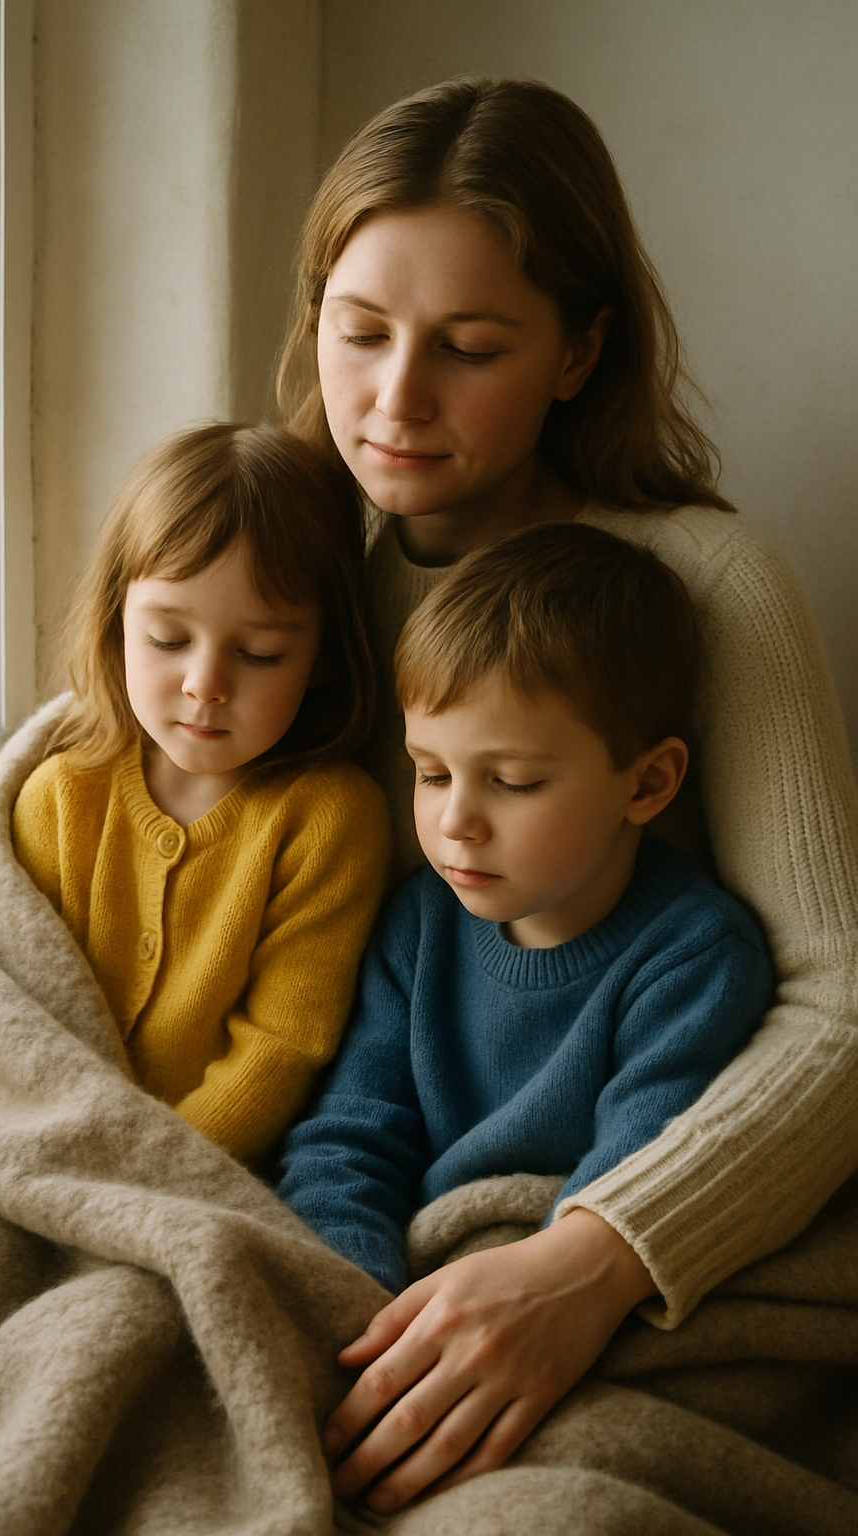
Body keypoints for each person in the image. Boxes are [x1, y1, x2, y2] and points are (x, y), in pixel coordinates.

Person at [275, 77, 858, 1512]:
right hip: (365, 1190)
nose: (394, 401)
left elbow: (840, 999)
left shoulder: (710, 590)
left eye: (469, 348)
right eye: (357, 333)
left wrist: (595, 1259)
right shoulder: (287, 586)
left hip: (648, 1209)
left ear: (580, 351)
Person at [279, 522, 772, 1294]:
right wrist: (349, 1299)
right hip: (414, 1274)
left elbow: (632, 1179)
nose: (455, 823)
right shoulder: (419, 924)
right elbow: (350, 1137)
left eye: (511, 782)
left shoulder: (694, 959)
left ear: (646, 785)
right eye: (432, 774)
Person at [12, 421, 391, 1165]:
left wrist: (162, 1170)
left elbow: (282, 1043)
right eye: (168, 639)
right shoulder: (60, 798)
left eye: (259, 653)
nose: (206, 686)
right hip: (52, 1140)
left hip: (214, 1168)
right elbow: (25, 1017)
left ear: (322, 656)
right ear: (118, 624)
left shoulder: (328, 820)